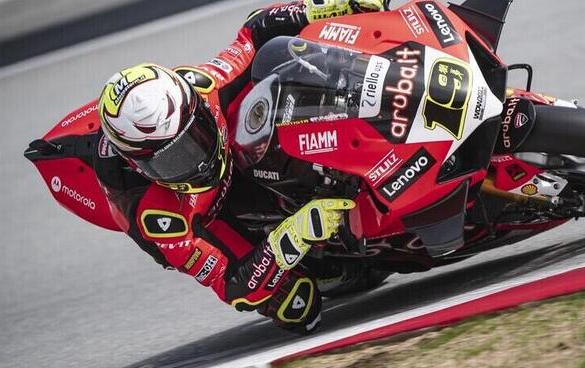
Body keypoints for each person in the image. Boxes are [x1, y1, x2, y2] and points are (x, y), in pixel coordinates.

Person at [94, 0, 385, 335]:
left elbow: (254, 32)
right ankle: (329, 260)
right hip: (214, 215)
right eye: (174, 161)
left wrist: (325, 8)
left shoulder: (201, 85)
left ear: (195, 107)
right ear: (141, 166)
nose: (198, 160)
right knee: (297, 306)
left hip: (241, 148)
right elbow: (231, 285)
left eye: (197, 135)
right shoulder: (161, 219)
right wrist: (291, 237)